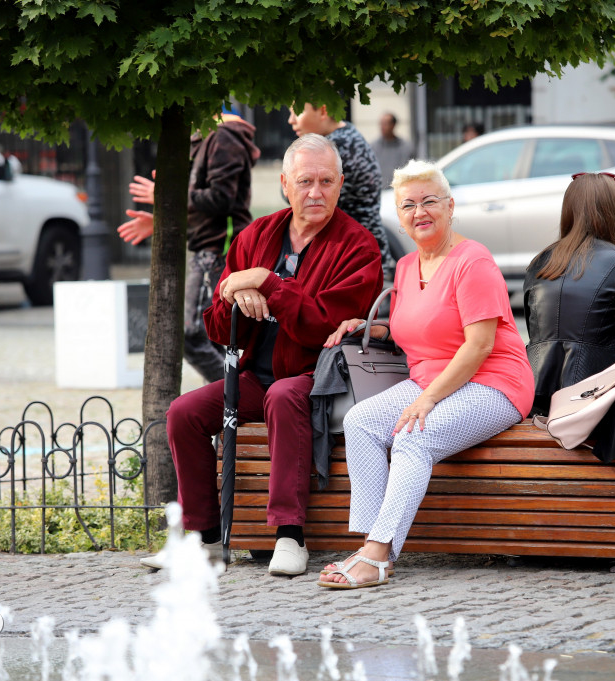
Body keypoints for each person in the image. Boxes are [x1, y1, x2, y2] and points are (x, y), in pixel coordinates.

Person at [155, 134, 383, 576]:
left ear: (340, 184)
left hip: (316, 376)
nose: (315, 192)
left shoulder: (359, 247)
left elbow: (322, 326)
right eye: (304, 181)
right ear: (284, 183)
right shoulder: (256, 234)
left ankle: (289, 536)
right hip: (254, 376)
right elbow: (219, 328)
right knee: (184, 411)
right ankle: (201, 540)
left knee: (284, 395)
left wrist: (267, 283)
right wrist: (234, 294)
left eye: (325, 181)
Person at [318, 159, 533, 589]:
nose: (420, 212)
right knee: (360, 422)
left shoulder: (474, 262)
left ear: (450, 206)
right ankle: (372, 545)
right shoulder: (405, 268)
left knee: (414, 434)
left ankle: (377, 555)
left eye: (430, 201)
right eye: (408, 205)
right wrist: (368, 327)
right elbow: (411, 332)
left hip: (494, 383)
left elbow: (479, 346)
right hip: (430, 382)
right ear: (398, 218)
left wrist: (428, 399)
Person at [117, 111, 260, 384]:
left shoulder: (223, 135)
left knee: (190, 334)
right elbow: (206, 206)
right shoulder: (207, 136)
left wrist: (168, 195)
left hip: (219, 249)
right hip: (210, 248)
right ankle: (231, 408)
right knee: (212, 335)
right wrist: (162, 216)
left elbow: (221, 199)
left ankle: (236, 397)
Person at [523, 172, 615, 417]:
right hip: (597, 396)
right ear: (614, 210)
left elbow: (534, 331)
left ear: (568, 210)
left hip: (535, 394)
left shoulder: (539, 263)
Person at [288, 102, 394, 280]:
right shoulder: (348, 134)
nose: (291, 120)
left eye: (296, 112)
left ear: (323, 110)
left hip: (354, 259)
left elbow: (293, 197)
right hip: (359, 253)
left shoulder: (335, 147)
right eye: (306, 180)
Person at [370, 113, 414, 189]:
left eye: (385, 124)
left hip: (400, 190)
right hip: (380, 192)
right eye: (381, 123)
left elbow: (411, 170)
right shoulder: (373, 147)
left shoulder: (406, 147)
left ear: (393, 125)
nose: (382, 127)